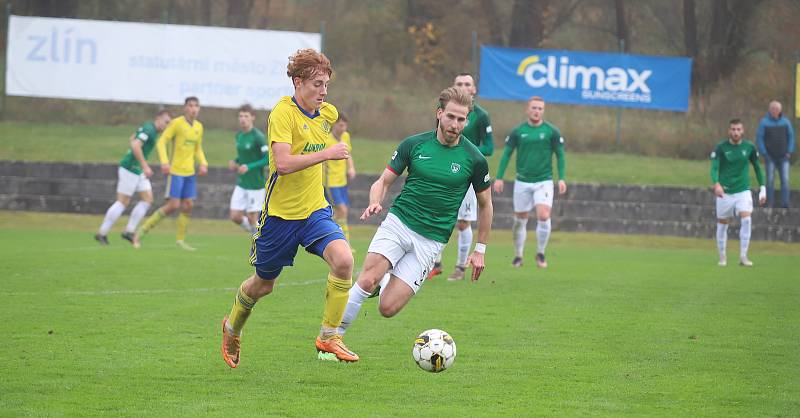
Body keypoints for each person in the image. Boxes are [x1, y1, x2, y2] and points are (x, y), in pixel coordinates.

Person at [220, 48, 356, 368]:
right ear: (297, 82)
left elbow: (324, 131)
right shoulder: (282, 113)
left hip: (314, 211)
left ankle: (329, 335)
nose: (323, 92)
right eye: (317, 84)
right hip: (279, 217)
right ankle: (231, 328)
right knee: (263, 285)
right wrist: (328, 154)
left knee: (344, 260)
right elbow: (282, 164)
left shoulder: (328, 114)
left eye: (326, 85)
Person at [336, 87, 493, 342]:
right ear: (439, 113)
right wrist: (376, 201)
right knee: (366, 279)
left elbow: (486, 204)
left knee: (387, 309)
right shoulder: (414, 144)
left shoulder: (474, 158)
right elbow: (383, 181)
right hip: (399, 223)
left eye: (461, 119)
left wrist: (480, 249)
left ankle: (384, 282)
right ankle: (332, 336)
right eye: (451, 117)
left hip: (431, 241)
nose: (455, 124)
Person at [429, 73, 494, 281]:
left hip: (466, 174)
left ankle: (460, 267)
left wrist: (468, 153)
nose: (464, 87)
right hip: (443, 171)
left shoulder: (482, 115)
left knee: (463, 223)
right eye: (459, 84)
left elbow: (490, 147)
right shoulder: (445, 111)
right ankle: (434, 263)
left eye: (468, 84)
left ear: (474, 90)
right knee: (436, 214)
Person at [492, 96, 566, 269]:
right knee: (520, 220)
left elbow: (560, 155)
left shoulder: (551, 131)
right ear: (527, 109)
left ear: (543, 110)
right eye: (534, 108)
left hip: (544, 181)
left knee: (543, 215)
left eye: (540, 108)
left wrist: (561, 178)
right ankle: (518, 255)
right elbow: (506, 154)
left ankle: (540, 253)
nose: (537, 111)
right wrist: (499, 177)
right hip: (522, 182)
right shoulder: (518, 131)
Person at [133, 96, 208, 250]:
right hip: (176, 171)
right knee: (173, 205)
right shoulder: (176, 124)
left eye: (196, 106)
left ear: (199, 108)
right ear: (185, 108)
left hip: (190, 172)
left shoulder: (199, 127)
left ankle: (180, 240)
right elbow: (162, 142)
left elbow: (197, 148)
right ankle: (141, 231)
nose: (193, 108)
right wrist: (165, 162)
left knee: (188, 205)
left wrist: (203, 163)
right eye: (190, 105)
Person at [94, 110, 172, 245]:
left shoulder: (149, 129)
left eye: (169, 123)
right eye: (166, 122)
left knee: (147, 199)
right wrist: (145, 166)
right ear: (158, 118)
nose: (167, 125)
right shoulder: (150, 129)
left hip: (137, 170)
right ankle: (102, 233)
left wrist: (141, 164)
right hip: (130, 168)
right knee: (122, 202)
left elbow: (133, 139)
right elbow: (136, 145)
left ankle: (129, 231)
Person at [711, 118, 766, 267]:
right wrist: (716, 184)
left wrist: (762, 187)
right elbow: (714, 167)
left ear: (743, 131)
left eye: (738, 129)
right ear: (729, 131)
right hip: (725, 192)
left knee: (747, 219)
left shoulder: (749, 147)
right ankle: (722, 257)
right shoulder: (721, 147)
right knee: (722, 224)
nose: (736, 132)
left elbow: (757, 167)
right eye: (733, 129)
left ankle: (743, 256)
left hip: (743, 191)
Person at [228, 104, 268, 234]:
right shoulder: (239, 135)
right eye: (240, 116)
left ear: (252, 118)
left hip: (255, 185)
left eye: (246, 116)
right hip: (242, 183)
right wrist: (236, 161)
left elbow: (267, 159)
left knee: (252, 218)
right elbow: (243, 157)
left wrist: (249, 167)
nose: (242, 119)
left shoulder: (258, 137)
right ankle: (255, 234)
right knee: (235, 216)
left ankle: (259, 240)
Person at [324, 112, 356, 247]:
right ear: (334, 125)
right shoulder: (326, 139)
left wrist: (351, 168)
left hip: (342, 181)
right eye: (341, 125)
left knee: (343, 213)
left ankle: (341, 241)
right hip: (330, 182)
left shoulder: (346, 136)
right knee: (341, 210)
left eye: (345, 125)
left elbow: (348, 154)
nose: (343, 128)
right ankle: (339, 241)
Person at [756, 100, 795, 208]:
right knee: (770, 180)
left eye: (777, 109)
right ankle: (770, 202)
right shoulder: (764, 122)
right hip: (770, 157)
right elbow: (760, 138)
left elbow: (791, 137)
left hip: (784, 156)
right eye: (773, 109)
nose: (775, 111)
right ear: (770, 110)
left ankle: (785, 203)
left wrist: (789, 151)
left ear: (780, 110)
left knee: (785, 180)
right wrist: (764, 153)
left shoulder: (786, 122)